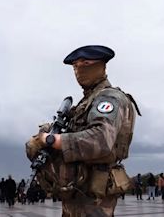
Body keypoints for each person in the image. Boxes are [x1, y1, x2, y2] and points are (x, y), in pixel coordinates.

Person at [26, 45, 140, 216]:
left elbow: (101, 140)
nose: (79, 69)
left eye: (85, 63)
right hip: (77, 191)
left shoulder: (109, 98)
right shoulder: (87, 101)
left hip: (94, 197)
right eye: (75, 66)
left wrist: (50, 140)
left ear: (101, 65)